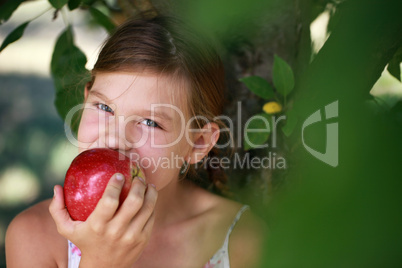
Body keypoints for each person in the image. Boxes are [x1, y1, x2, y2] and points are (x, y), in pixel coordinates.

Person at [5, 15, 265, 268]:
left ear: (198, 143)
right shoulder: (35, 237)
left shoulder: (242, 241)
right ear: (85, 101)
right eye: (104, 107)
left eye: (150, 123)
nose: (115, 138)